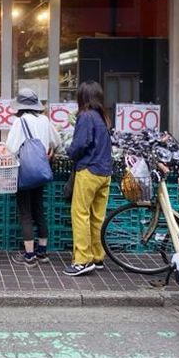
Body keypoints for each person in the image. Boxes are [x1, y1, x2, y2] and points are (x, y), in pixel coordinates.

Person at [5, 88, 61, 266]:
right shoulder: (45, 120)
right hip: (41, 171)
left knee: (25, 212)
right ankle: (42, 252)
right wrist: (50, 151)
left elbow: (11, 149)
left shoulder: (19, 122)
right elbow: (57, 142)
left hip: (24, 172)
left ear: (20, 106)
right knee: (38, 208)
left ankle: (29, 256)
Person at [65, 81, 113, 277]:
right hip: (105, 173)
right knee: (97, 217)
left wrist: (70, 152)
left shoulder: (85, 116)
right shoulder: (103, 118)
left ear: (82, 97)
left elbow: (80, 144)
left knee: (80, 214)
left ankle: (83, 260)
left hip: (89, 171)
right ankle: (97, 256)